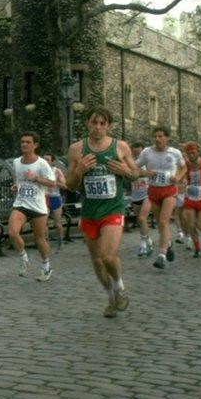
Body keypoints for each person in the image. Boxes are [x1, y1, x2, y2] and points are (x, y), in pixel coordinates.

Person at [66, 106, 136, 318]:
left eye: (102, 123)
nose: (97, 127)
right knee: (97, 261)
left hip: (113, 209)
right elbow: (70, 185)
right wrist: (79, 171)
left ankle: (120, 287)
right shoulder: (76, 149)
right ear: (87, 123)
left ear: (108, 126)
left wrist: (127, 172)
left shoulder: (120, 147)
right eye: (94, 122)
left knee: (107, 256)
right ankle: (111, 296)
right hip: (89, 212)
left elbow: (136, 173)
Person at [135, 126, 186, 270]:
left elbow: (184, 167)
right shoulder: (147, 152)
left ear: (167, 138)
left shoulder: (174, 152)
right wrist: (145, 174)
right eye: (155, 136)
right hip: (153, 191)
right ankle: (168, 244)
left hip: (169, 191)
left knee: (164, 222)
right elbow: (134, 167)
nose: (157, 139)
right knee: (160, 224)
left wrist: (178, 177)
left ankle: (161, 256)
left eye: (161, 136)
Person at [8, 133, 57, 281]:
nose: (24, 145)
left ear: (35, 145)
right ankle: (24, 258)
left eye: (28, 142)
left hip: (37, 206)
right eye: (22, 142)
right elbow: (17, 178)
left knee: (40, 239)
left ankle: (46, 266)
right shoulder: (16, 162)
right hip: (21, 203)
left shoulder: (41, 163)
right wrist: (16, 185)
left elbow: (53, 184)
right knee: (12, 232)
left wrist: (35, 178)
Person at [128, 142, 153, 258]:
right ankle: (148, 240)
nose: (138, 154)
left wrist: (139, 173)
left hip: (148, 194)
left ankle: (143, 245)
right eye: (135, 152)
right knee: (140, 220)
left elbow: (151, 174)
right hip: (136, 195)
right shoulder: (130, 163)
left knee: (143, 218)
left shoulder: (148, 162)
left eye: (140, 152)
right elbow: (127, 176)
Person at [43, 152, 68, 249]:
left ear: (52, 161)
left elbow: (65, 186)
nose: (45, 161)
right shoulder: (40, 171)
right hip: (44, 198)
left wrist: (55, 182)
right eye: (44, 159)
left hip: (55, 197)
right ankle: (46, 243)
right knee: (44, 223)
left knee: (57, 222)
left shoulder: (57, 171)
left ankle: (60, 242)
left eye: (48, 159)